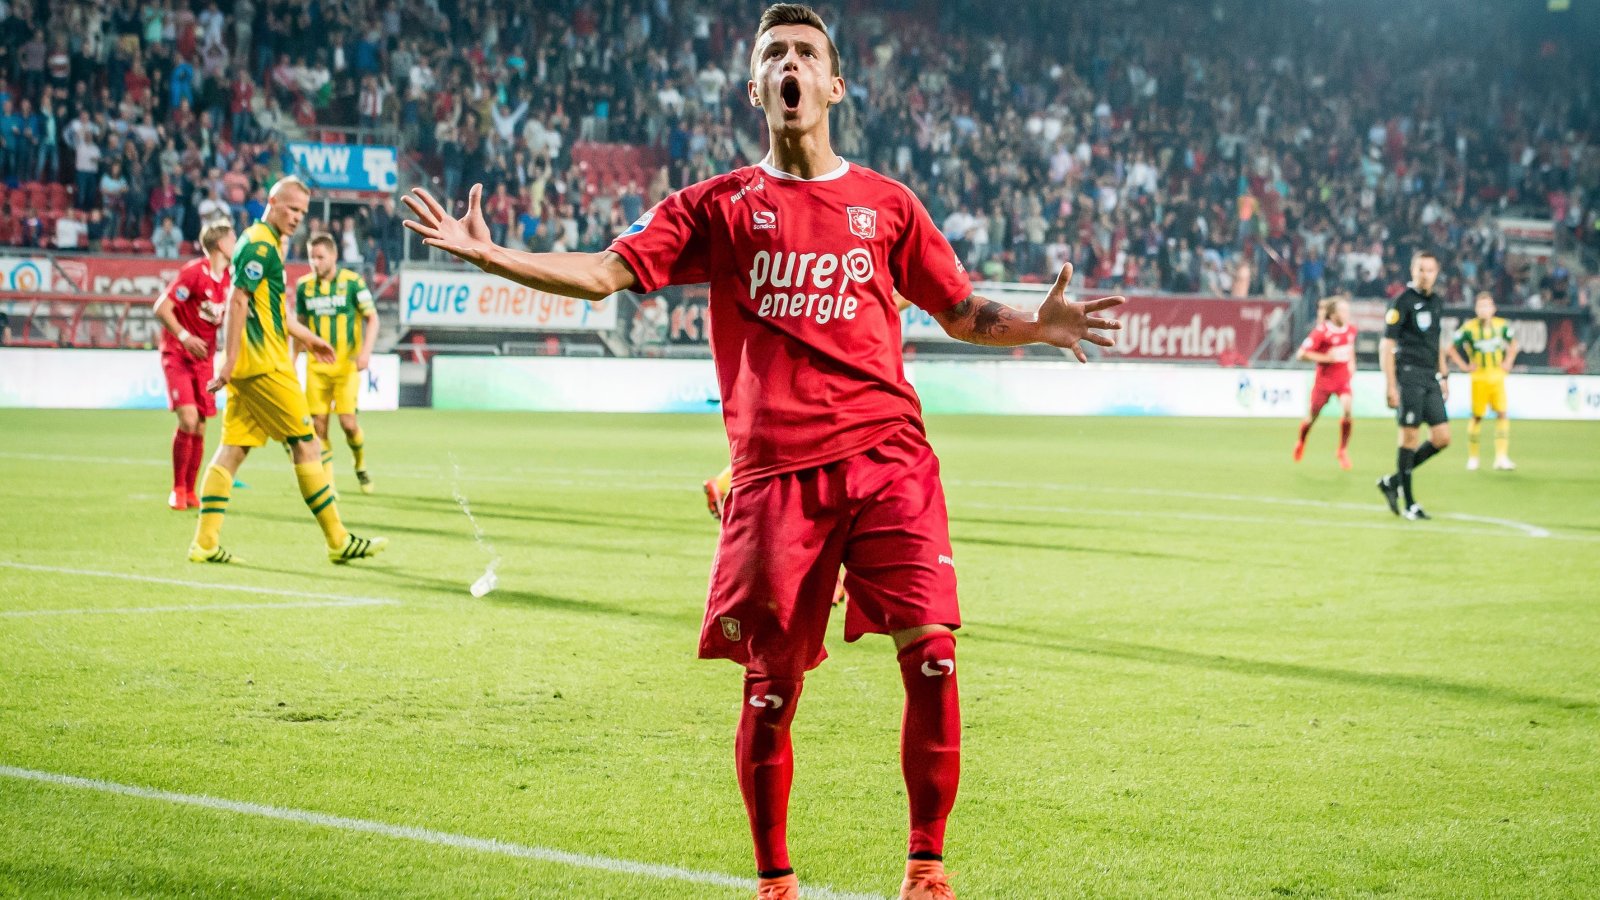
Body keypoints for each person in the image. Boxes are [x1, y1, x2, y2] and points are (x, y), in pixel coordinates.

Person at [402, 6, 1124, 898]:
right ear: (755, 87)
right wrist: (493, 257)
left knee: (934, 654)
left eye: (806, 53)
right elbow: (599, 275)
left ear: (834, 85)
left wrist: (1035, 326)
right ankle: (775, 880)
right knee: (771, 690)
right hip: (777, 480)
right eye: (774, 53)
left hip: (889, 456)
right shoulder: (714, 208)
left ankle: (927, 868)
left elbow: (959, 310)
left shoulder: (888, 205)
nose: (791, 63)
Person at [190, 176, 386, 565]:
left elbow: (274, 309)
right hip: (264, 365)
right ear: (273, 201)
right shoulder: (260, 244)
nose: (297, 217)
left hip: (252, 365)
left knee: (233, 450)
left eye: (302, 212)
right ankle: (338, 539)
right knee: (306, 443)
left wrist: (310, 338)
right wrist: (229, 360)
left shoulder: (265, 242)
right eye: (292, 208)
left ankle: (205, 543)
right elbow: (238, 299)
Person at [153, 220, 235, 510]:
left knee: (200, 426)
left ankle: (190, 491)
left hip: (204, 361)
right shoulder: (193, 273)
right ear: (220, 244)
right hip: (178, 354)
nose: (236, 243)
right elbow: (161, 308)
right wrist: (185, 336)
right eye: (232, 238)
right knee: (188, 419)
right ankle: (177, 489)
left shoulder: (229, 280)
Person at [295, 233, 380, 494]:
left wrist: (366, 353)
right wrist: (291, 360)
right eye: (311, 257)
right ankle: (328, 484)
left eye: (320, 257)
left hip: (346, 367)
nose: (315, 262)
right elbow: (299, 328)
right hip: (316, 369)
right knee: (318, 426)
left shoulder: (353, 283)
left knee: (348, 424)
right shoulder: (304, 287)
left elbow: (373, 318)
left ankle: (360, 463)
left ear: (334, 256)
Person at [1377, 251, 1451, 520]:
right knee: (1409, 439)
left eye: (1430, 270)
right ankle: (1409, 503)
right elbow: (1387, 344)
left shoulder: (1437, 302)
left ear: (1437, 273)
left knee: (1442, 438)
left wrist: (1443, 375)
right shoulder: (1402, 302)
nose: (1425, 275)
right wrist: (1390, 385)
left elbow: (1436, 340)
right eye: (1421, 269)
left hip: (1430, 377)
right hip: (1408, 376)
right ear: (1412, 271)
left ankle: (1392, 482)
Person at [1448, 291, 1518, 471]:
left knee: (1502, 413)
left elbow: (1514, 344)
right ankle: (1473, 458)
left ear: (1493, 308)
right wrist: (1464, 366)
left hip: (1498, 376)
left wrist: (1508, 362)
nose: (1484, 310)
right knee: (1477, 417)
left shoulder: (1501, 326)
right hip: (1479, 378)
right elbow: (1451, 348)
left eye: (1487, 306)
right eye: (1481, 306)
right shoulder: (1468, 328)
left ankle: (1501, 457)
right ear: (1476, 309)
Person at [1292, 295, 1357, 469]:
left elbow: (1350, 348)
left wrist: (1352, 364)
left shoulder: (1351, 330)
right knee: (1312, 417)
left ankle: (1342, 450)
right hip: (1324, 381)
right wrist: (1326, 358)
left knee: (1347, 410)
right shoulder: (1321, 332)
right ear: (1334, 314)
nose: (1347, 314)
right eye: (1343, 311)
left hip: (1342, 378)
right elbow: (1301, 354)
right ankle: (1301, 441)